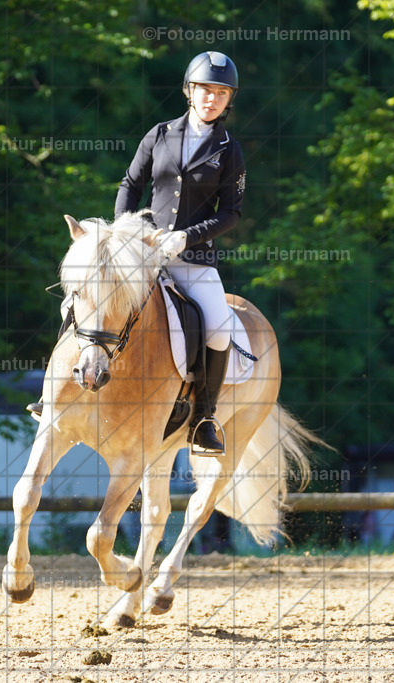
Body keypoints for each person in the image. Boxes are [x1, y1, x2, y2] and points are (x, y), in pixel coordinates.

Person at [113, 50, 245, 454]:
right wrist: (125, 230)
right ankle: (55, 393)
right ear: (189, 91)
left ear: (228, 99)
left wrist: (188, 237)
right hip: (145, 252)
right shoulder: (159, 134)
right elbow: (129, 186)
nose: (212, 98)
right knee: (92, 293)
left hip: (194, 259)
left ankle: (204, 417)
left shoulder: (228, 150)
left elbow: (232, 214)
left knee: (220, 330)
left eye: (221, 93)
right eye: (205, 89)